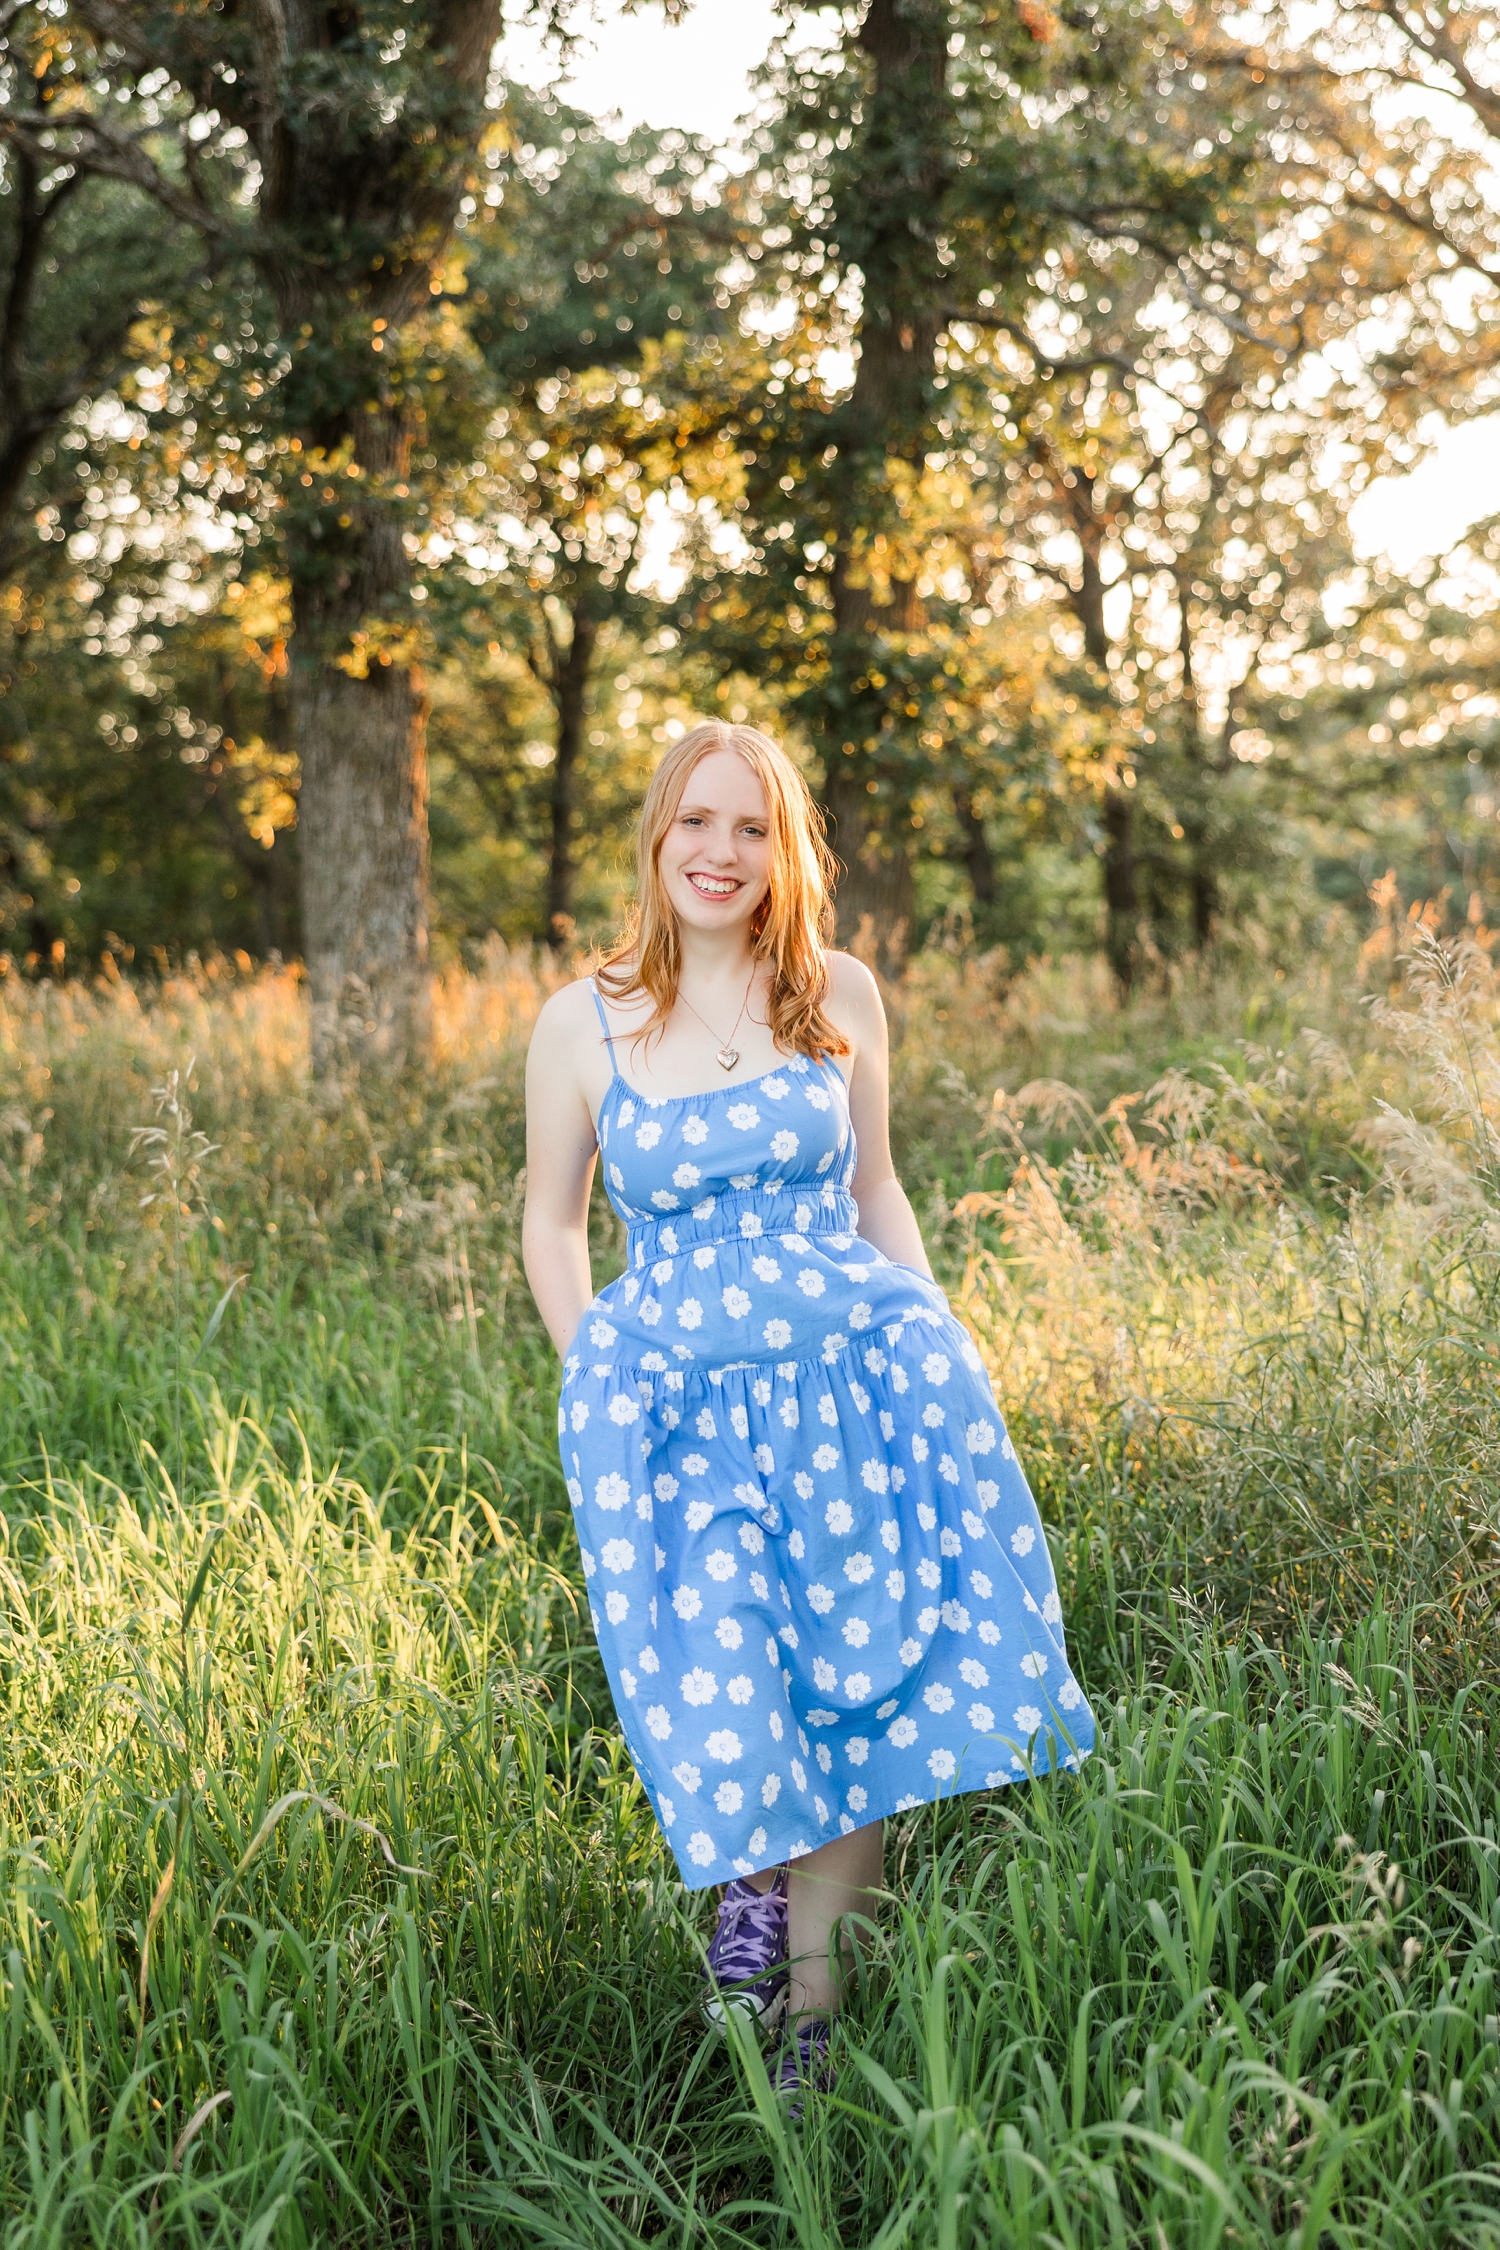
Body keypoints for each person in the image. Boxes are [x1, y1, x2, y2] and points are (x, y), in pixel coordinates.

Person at [522, 720, 1095, 2106]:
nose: (721, 852)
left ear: (787, 849)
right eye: (696, 823)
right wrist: (592, 1361)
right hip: (679, 1404)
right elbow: (549, 1221)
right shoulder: (583, 1016)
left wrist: (938, 1327)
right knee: (727, 1660)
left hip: (858, 1379)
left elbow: (877, 1186)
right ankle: (753, 1897)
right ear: (656, 840)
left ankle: (817, 2018)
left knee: (866, 1672)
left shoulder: (836, 990)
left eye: (752, 827)